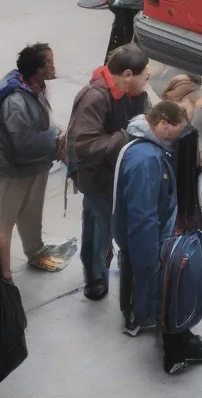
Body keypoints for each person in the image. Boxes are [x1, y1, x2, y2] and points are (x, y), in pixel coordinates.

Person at [112, 100, 202, 374]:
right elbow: (142, 218)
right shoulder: (147, 161)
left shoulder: (147, 149)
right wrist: (150, 263)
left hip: (156, 241)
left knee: (169, 294)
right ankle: (176, 350)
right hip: (155, 245)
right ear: (163, 125)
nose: (180, 137)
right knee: (175, 292)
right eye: (179, 130)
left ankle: (176, 339)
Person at [66, 42, 152, 300]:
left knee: (119, 230)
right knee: (98, 231)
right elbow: (82, 144)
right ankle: (95, 279)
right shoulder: (94, 97)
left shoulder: (136, 93)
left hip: (122, 176)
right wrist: (128, 135)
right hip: (97, 180)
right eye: (143, 76)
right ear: (127, 75)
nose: (147, 81)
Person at [0, 44, 68, 279]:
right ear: (37, 69)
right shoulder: (15, 101)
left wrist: (58, 132)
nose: (54, 67)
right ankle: (3, 274)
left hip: (36, 165)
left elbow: (42, 121)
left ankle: (35, 252)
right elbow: (23, 143)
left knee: (32, 213)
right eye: (50, 63)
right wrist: (55, 140)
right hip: (12, 169)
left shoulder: (37, 87)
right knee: (4, 222)